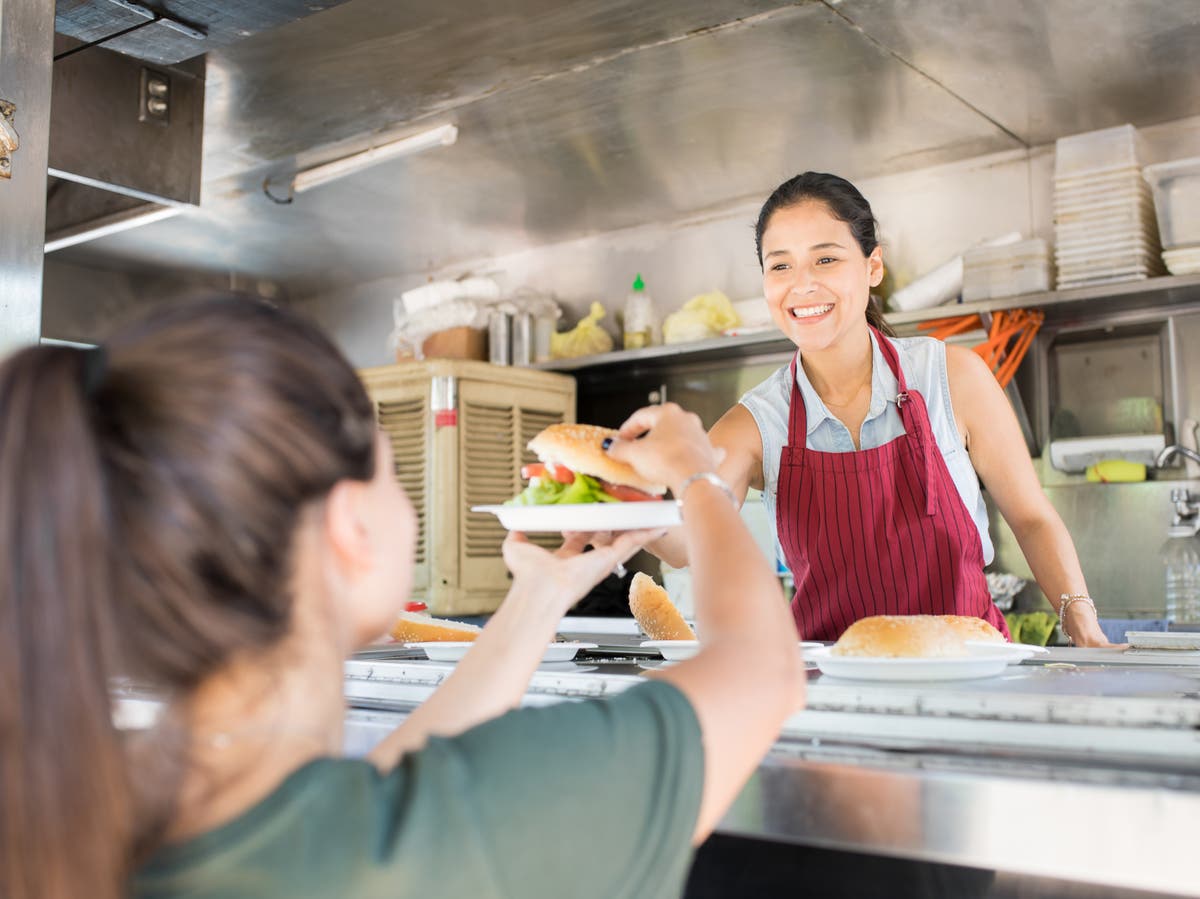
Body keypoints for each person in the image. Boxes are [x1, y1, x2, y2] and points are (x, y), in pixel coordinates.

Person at [0, 297, 804, 899]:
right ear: (351, 524)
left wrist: (542, 595)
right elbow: (764, 671)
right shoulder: (459, 832)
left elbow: (392, 790)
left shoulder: (92, 817)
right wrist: (697, 476)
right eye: (392, 469)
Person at [648, 172, 1109, 648]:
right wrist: (623, 502)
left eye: (826, 259)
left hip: (970, 669)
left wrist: (1083, 624)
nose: (801, 285)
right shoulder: (756, 424)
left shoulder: (951, 377)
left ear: (872, 268)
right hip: (834, 688)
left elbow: (1032, 519)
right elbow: (687, 542)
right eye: (780, 267)